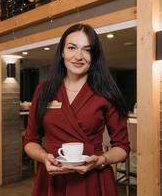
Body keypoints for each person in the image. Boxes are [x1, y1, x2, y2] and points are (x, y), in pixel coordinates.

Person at [24, 23, 130, 196]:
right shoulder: (44, 90)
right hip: (53, 179)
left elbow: (122, 147)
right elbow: (30, 140)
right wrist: (44, 157)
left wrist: (101, 160)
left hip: (93, 180)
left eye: (87, 50)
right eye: (72, 48)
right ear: (62, 52)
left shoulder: (106, 93)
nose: (78, 56)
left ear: (94, 55)